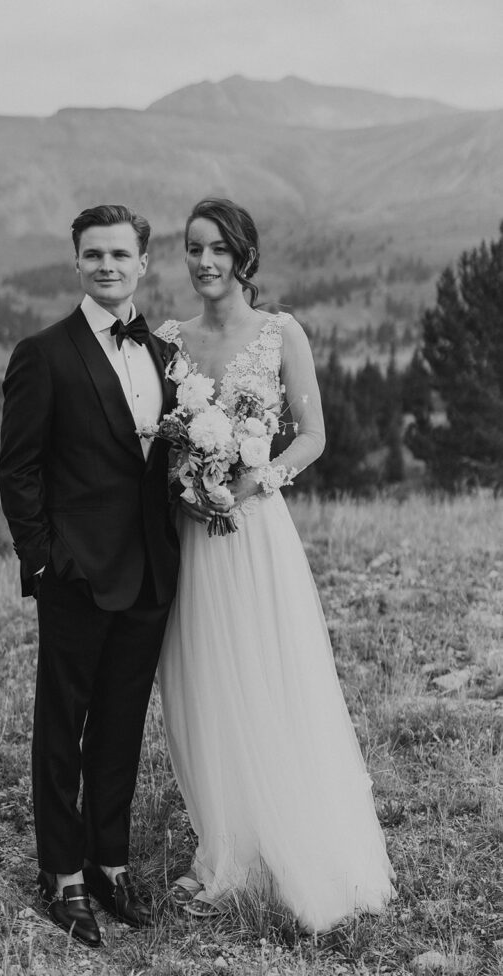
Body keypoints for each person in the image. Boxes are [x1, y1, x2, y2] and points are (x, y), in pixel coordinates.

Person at [155, 197, 395, 934]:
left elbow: (313, 435)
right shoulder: (169, 340)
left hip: (257, 532)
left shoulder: (280, 333)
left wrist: (255, 480)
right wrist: (184, 482)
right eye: (194, 248)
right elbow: (158, 443)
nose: (204, 262)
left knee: (271, 671)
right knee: (204, 679)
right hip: (192, 534)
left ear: (243, 255)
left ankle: (294, 832)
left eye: (219, 249)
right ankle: (226, 841)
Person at [0, 204, 180, 948]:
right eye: (93, 255)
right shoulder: (43, 353)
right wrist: (43, 561)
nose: (107, 266)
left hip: (150, 575)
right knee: (61, 729)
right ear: (76, 262)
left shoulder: (168, 355)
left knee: (121, 726)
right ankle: (61, 876)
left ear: (143, 262)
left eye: (120, 255)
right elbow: (18, 468)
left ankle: (109, 861)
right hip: (75, 575)